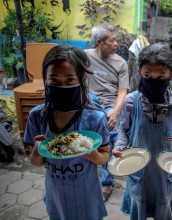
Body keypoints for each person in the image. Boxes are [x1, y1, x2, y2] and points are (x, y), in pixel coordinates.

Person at [24, 45, 110, 219]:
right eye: (54, 80)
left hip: (87, 196)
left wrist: (94, 156)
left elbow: (105, 156)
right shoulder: (36, 116)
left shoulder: (96, 118)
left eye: (70, 80)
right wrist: (37, 151)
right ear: (45, 80)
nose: (62, 86)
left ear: (83, 78)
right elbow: (35, 162)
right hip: (56, 197)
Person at [112, 44, 172, 220]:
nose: (154, 79)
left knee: (162, 210)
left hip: (164, 175)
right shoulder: (131, 101)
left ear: (170, 74)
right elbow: (124, 129)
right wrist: (119, 147)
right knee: (139, 209)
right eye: (148, 75)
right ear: (140, 72)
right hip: (139, 173)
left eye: (161, 76)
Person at [85, 23, 129, 200]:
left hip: (110, 103)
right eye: (112, 40)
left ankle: (106, 183)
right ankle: (85, 176)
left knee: (109, 132)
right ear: (99, 42)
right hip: (89, 102)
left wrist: (116, 112)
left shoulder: (121, 63)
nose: (116, 43)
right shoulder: (84, 57)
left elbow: (123, 91)